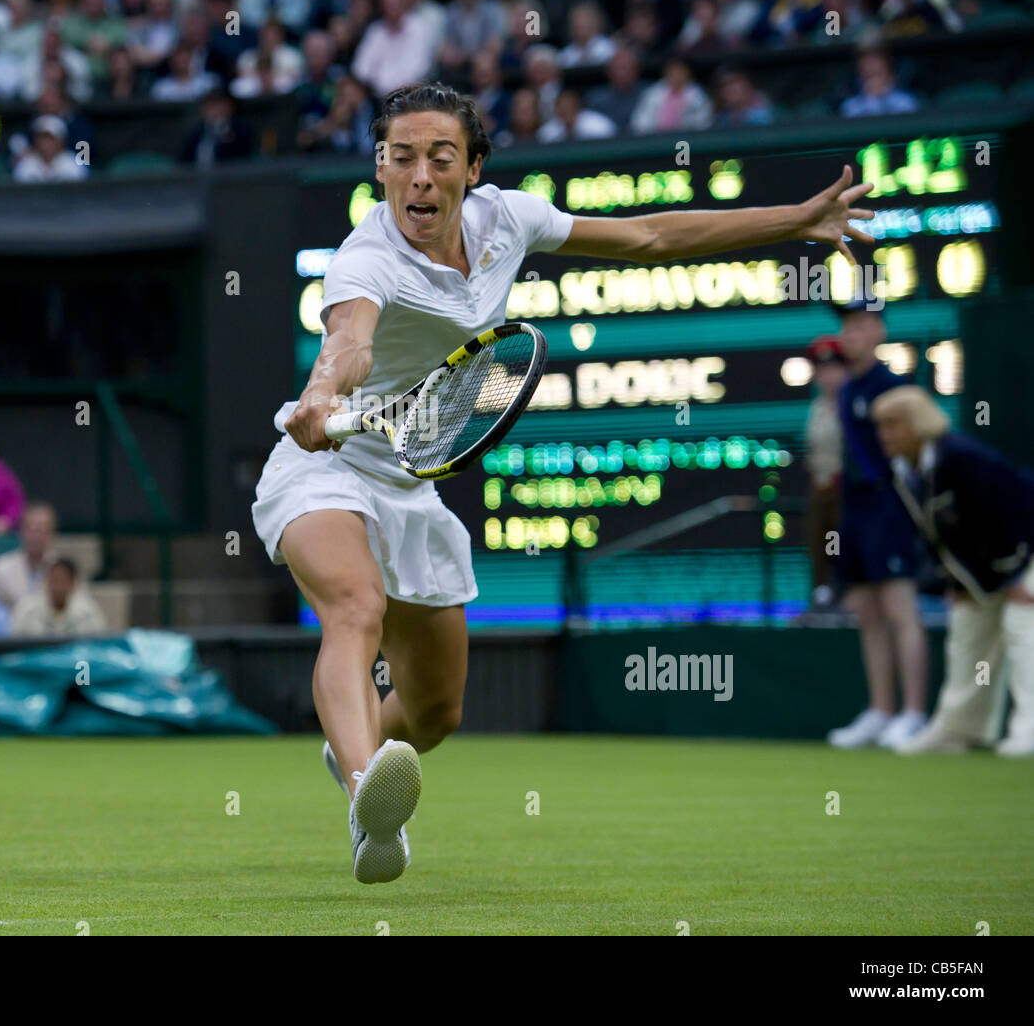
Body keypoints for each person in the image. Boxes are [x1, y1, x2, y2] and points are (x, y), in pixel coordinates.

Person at [252, 80, 877, 883]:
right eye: (399, 158)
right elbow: (351, 341)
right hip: (324, 467)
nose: (418, 178)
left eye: (440, 158)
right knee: (354, 606)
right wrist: (321, 394)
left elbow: (649, 236)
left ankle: (360, 751)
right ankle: (370, 801)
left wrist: (796, 219)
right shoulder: (365, 258)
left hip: (411, 484)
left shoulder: (509, 219)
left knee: (437, 713)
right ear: (379, 168)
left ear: (472, 167)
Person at [873, 387, 1034, 757]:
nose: (884, 434)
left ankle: (1030, 730)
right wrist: (954, 581)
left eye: (892, 425)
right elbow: (938, 534)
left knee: (1023, 624)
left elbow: (1005, 516)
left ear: (917, 424)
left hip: (1024, 549)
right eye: (880, 425)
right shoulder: (902, 471)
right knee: (968, 632)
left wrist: (1012, 576)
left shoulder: (963, 458)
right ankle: (960, 730)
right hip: (987, 566)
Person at [825, 298, 929, 749]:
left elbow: (917, 455)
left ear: (879, 333)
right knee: (866, 612)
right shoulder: (848, 388)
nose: (850, 334)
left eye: (860, 326)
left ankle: (914, 714)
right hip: (855, 509)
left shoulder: (892, 385)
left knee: (899, 610)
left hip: (890, 505)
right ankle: (881, 711)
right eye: (846, 326)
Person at [803, 336, 846, 610]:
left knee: (843, 549)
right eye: (822, 371)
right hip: (820, 491)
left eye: (832, 370)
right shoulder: (817, 407)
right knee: (819, 547)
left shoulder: (851, 404)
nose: (827, 377)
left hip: (845, 491)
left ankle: (845, 597)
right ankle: (821, 597)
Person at [11, 557, 108, 636]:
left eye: (63, 581)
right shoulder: (26, 610)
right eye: (54, 580)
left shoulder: (88, 613)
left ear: (72, 584)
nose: (57, 586)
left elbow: (98, 648)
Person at [0, 501, 58, 608]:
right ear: (21, 532)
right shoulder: (1, 567)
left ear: (52, 533)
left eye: (41, 530)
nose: (35, 536)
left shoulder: (62, 569)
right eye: (30, 530)